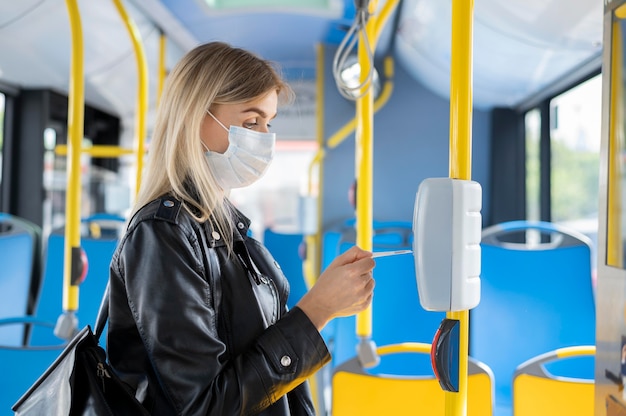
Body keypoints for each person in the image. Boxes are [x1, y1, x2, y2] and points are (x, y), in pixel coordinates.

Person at [107, 41, 376, 416]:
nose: (264, 138)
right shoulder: (161, 235)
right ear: (194, 117)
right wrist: (317, 311)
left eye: (268, 123)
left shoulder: (228, 228)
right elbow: (205, 406)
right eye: (251, 122)